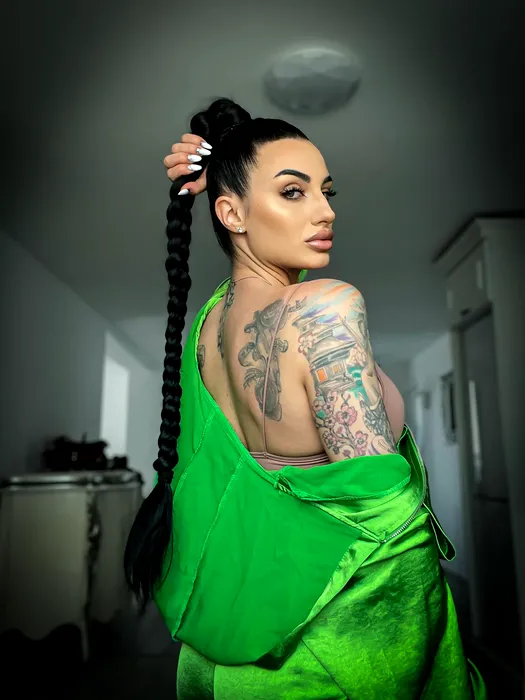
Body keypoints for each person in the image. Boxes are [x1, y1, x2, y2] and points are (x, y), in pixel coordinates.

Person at [125, 98, 486, 699]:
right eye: (293, 192)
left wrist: (231, 166)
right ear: (231, 213)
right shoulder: (324, 308)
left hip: (234, 646)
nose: (325, 210)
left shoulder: (208, 327)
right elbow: (386, 526)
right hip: (332, 650)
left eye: (326, 191)